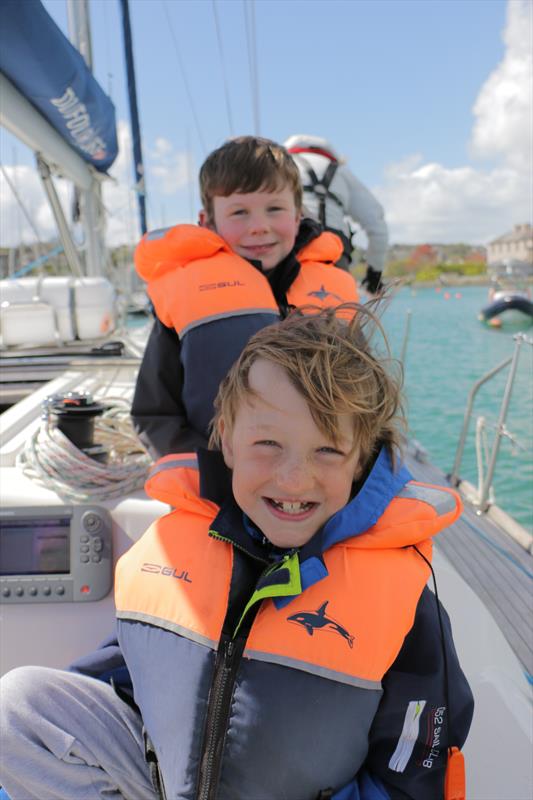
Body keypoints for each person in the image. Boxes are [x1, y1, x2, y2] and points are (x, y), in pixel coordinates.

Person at [0, 304, 474, 800]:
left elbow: (416, 759)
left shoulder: (403, 602)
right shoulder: (174, 544)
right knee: (19, 708)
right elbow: (131, 666)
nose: (294, 479)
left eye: (327, 451)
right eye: (268, 443)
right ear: (226, 440)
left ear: (359, 461)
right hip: (165, 783)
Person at [131, 135, 360, 460]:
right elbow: (155, 415)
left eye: (275, 209)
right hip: (220, 479)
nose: (259, 226)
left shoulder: (338, 290)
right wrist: (211, 471)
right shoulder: (183, 298)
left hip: (319, 481)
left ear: (298, 216)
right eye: (239, 212)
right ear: (207, 222)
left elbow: (366, 398)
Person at [284, 134, 388, 289]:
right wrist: (374, 274)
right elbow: (377, 226)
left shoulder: (277, 166)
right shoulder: (342, 173)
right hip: (335, 256)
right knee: (340, 310)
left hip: (286, 253)